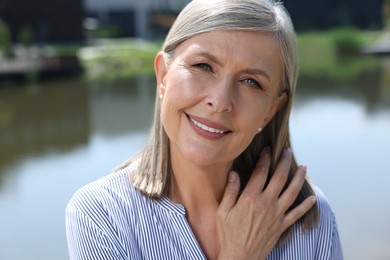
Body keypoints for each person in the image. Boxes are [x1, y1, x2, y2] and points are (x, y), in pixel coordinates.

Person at [65, 0, 343, 259]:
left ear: (272, 110)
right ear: (163, 76)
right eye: (203, 66)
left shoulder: (310, 218)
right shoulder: (100, 213)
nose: (220, 102)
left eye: (250, 82)